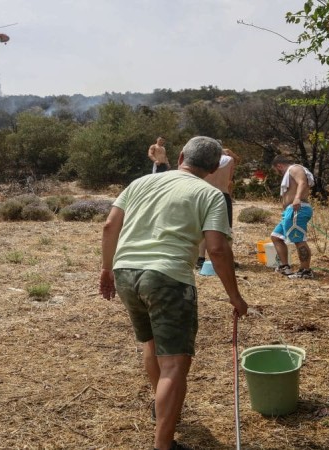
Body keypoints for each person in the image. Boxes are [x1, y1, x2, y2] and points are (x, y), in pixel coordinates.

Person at [99, 136, 248, 450]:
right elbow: (218, 250)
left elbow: (110, 225)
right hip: (167, 279)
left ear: (181, 156)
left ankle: (162, 409)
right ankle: (163, 444)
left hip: (126, 273)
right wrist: (235, 296)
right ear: (212, 168)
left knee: (151, 345)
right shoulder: (210, 194)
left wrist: (107, 268)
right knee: (175, 365)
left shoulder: (141, 183)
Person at [269, 154, 315, 279]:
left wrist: (297, 198)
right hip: (289, 212)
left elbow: (302, 182)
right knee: (276, 236)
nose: (277, 173)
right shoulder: (290, 172)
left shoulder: (295, 168)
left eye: (276, 170)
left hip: (297, 210)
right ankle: (285, 267)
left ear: (279, 165)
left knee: (298, 239)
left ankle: (305, 271)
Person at [196, 148, 237, 269]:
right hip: (223, 195)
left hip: (206, 194)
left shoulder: (204, 161)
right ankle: (228, 259)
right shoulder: (230, 160)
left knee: (203, 227)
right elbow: (230, 181)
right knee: (227, 229)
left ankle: (201, 259)